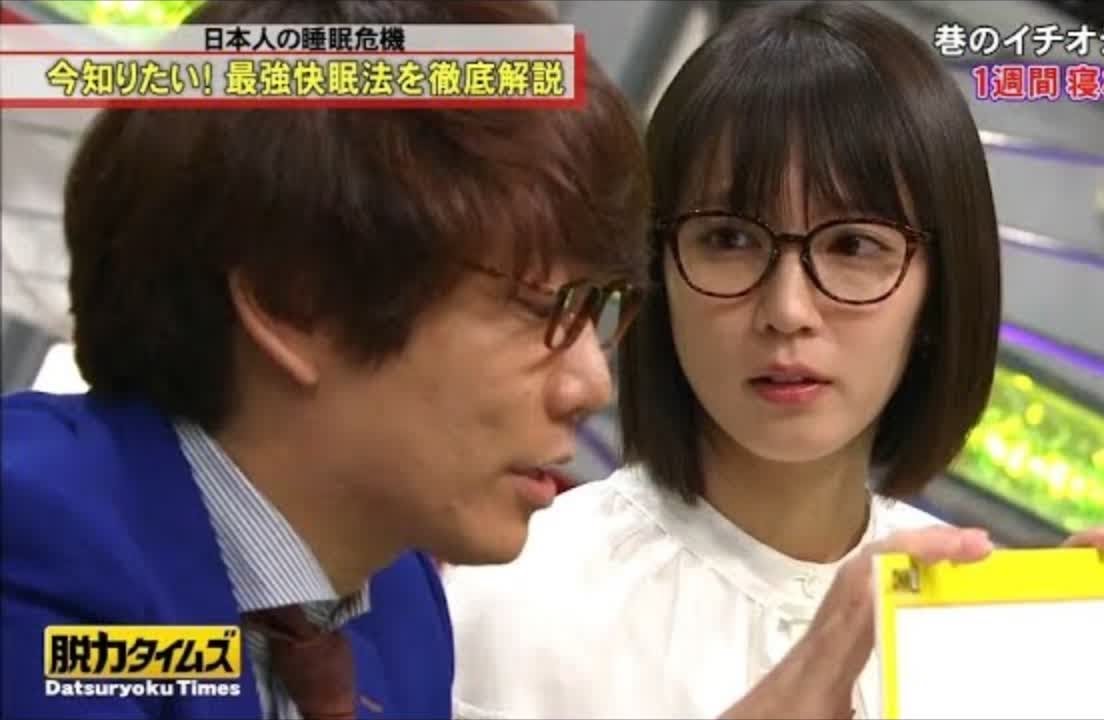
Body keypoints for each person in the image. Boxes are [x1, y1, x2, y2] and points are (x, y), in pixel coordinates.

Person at [443, 3, 1104, 718]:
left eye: (853, 246)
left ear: (939, 292)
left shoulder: (978, 630)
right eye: (728, 238)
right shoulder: (513, 598)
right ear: (655, 266)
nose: (788, 309)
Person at [1, 1, 653, 717]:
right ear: (293, 301)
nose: (592, 384)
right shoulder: (38, 547)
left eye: (598, 310)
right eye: (539, 307)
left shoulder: (396, 601)